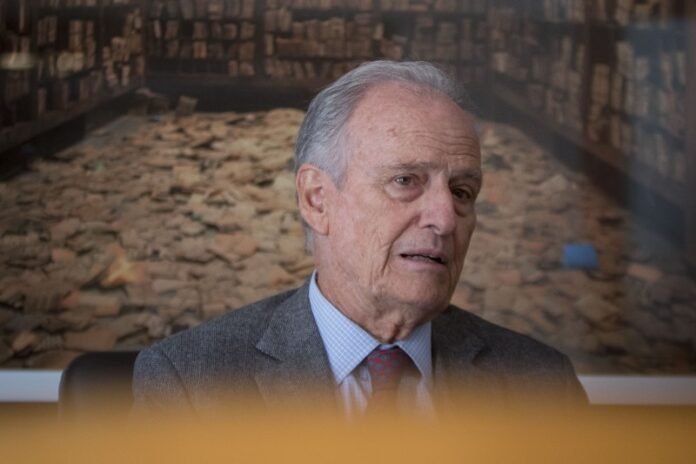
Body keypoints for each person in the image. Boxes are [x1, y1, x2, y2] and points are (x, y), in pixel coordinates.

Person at [132, 61, 587, 417]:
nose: (445, 218)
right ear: (317, 200)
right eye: (405, 180)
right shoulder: (189, 384)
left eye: (462, 191)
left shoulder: (543, 385)